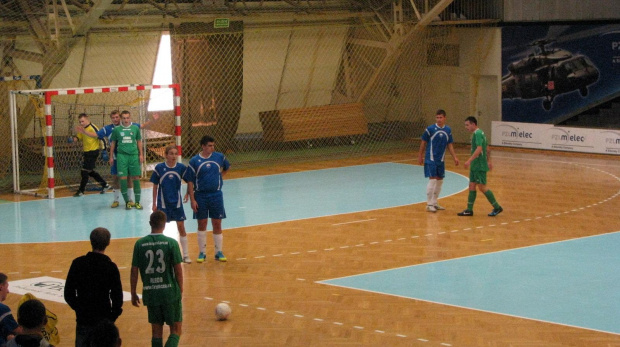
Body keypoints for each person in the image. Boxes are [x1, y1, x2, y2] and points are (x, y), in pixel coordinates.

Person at [77, 110, 158, 208]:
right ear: (111, 119)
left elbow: (142, 126)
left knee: (129, 178)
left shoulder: (129, 125)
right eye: (113, 118)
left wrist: (153, 120)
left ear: (120, 117)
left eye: (117, 117)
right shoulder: (108, 128)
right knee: (115, 178)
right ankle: (116, 200)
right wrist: (84, 132)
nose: (115, 119)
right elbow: (96, 135)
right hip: (116, 157)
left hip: (128, 156)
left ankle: (130, 199)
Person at [130, 211, 183, 347]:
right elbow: (178, 269)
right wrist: (180, 289)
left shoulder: (139, 244)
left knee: (156, 332)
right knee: (176, 330)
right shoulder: (171, 243)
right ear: (164, 224)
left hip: (150, 293)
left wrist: (133, 292)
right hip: (169, 292)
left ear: (150, 224)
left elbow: (134, 270)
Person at [64, 228, 123, 347]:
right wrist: (111, 318)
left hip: (83, 320)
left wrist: (79, 309)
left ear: (91, 241)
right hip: (104, 320)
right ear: (108, 243)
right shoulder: (110, 267)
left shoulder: (78, 263)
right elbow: (117, 297)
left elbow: (68, 294)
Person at [187, 135, 230, 263]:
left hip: (216, 195)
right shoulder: (194, 161)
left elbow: (227, 167)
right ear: (203, 146)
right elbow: (190, 181)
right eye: (210, 146)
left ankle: (218, 252)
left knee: (217, 223)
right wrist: (192, 199)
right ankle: (202, 252)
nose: (212, 148)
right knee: (202, 223)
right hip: (201, 196)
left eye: (213, 145)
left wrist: (220, 177)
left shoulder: (219, 157)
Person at [150, 145, 195, 263]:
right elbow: (155, 186)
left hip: (177, 204)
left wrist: (188, 194)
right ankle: (160, 255)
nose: (174, 156)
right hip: (163, 204)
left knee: (181, 227)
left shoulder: (180, 168)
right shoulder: (159, 168)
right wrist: (154, 203)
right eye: (171, 154)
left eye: (176, 154)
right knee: (160, 229)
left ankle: (185, 255)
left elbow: (189, 181)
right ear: (166, 155)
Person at [457, 116, 503, 217]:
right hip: (476, 165)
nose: (466, 127)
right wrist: (489, 161)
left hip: (478, 165)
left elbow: (479, 149)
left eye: (467, 125)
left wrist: (469, 160)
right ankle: (469, 210)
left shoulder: (477, 134)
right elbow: (487, 148)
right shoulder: (481, 133)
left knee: (482, 187)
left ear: (473, 124)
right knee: (472, 185)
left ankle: (497, 207)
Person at [417, 109, 459, 212]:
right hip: (430, 159)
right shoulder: (430, 129)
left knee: (440, 181)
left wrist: (455, 157)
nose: (439, 119)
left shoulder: (448, 130)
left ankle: (435, 202)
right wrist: (420, 155)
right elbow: (423, 142)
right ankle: (429, 204)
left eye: (441, 117)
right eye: (437, 117)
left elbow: (450, 144)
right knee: (433, 179)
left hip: (441, 160)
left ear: (445, 118)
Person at [109, 111, 144, 210]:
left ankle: (137, 202)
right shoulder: (117, 130)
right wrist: (111, 156)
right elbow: (113, 144)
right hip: (121, 157)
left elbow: (139, 142)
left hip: (133, 156)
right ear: (121, 118)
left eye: (127, 118)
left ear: (130, 118)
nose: (126, 120)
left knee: (136, 178)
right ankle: (127, 202)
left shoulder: (135, 128)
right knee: (123, 178)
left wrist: (141, 154)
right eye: (124, 118)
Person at [69, 113, 111, 197]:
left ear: (87, 119)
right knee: (90, 171)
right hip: (87, 152)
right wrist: (73, 139)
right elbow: (79, 137)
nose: (81, 123)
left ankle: (81, 191)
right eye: (80, 122)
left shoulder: (93, 128)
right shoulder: (83, 129)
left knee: (84, 171)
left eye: (83, 121)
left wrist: (104, 150)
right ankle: (105, 185)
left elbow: (101, 138)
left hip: (93, 152)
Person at [0, 273, 19, 347]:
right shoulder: (3, 309)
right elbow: (20, 331)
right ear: (1, 287)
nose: (8, 291)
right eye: (6, 287)